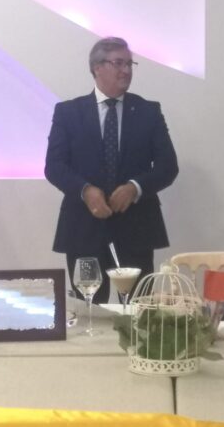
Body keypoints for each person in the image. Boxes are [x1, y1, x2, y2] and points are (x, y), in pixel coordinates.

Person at [45, 37, 178, 303]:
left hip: (136, 228)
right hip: (83, 229)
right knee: (89, 309)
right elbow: (55, 166)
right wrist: (85, 190)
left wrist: (135, 188)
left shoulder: (148, 111)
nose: (126, 70)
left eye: (129, 64)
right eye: (118, 63)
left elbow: (167, 166)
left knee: (139, 308)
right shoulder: (68, 112)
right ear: (97, 67)